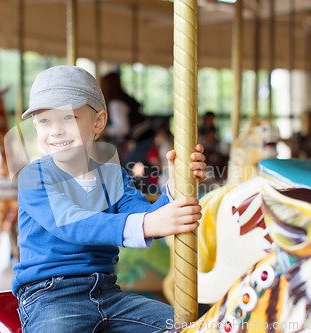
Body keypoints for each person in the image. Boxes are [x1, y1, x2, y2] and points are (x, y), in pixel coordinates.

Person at [12, 66, 206, 332]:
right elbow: (73, 224)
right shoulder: (34, 177)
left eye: (68, 117)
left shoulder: (113, 177)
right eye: (45, 121)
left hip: (108, 293)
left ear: (99, 122)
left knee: (184, 326)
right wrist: (150, 223)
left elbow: (144, 217)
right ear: (35, 126)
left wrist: (174, 188)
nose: (55, 130)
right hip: (51, 295)